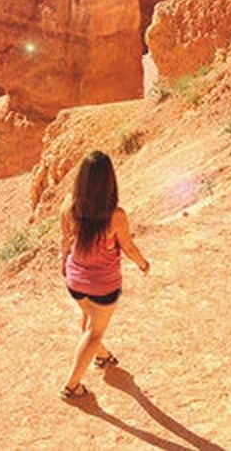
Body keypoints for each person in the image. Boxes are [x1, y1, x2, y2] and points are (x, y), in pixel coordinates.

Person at [59, 150, 149, 400]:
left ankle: (102, 356)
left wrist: (63, 264)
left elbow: (65, 242)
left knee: (89, 319)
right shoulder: (115, 216)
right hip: (103, 287)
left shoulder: (69, 207)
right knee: (94, 331)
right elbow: (128, 247)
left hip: (75, 280)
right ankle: (71, 386)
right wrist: (143, 264)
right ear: (109, 182)